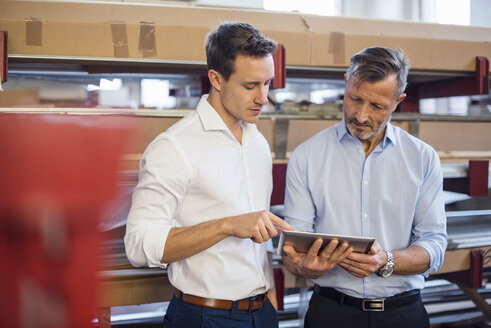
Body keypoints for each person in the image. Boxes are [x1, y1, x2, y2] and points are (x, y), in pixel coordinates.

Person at [124, 21, 293, 328]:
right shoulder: (174, 146)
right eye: (249, 85)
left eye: (267, 83)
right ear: (216, 78)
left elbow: (259, 236)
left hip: (262, 312)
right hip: (205, 316)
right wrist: (227, 225)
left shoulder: (257, 142)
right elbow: (138, 243)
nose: (263, 97)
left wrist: (268, 297)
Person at [282, 46, 447, 328]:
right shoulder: (306, 157)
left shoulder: (422, 158)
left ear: (398, 101)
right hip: (331, 313)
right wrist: (302, 266)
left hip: (403, 315)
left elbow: (434, 244)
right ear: (346, 82)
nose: (360, 115)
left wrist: (388, 260)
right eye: (354, 99)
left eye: (377, 106)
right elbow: (293, 248)